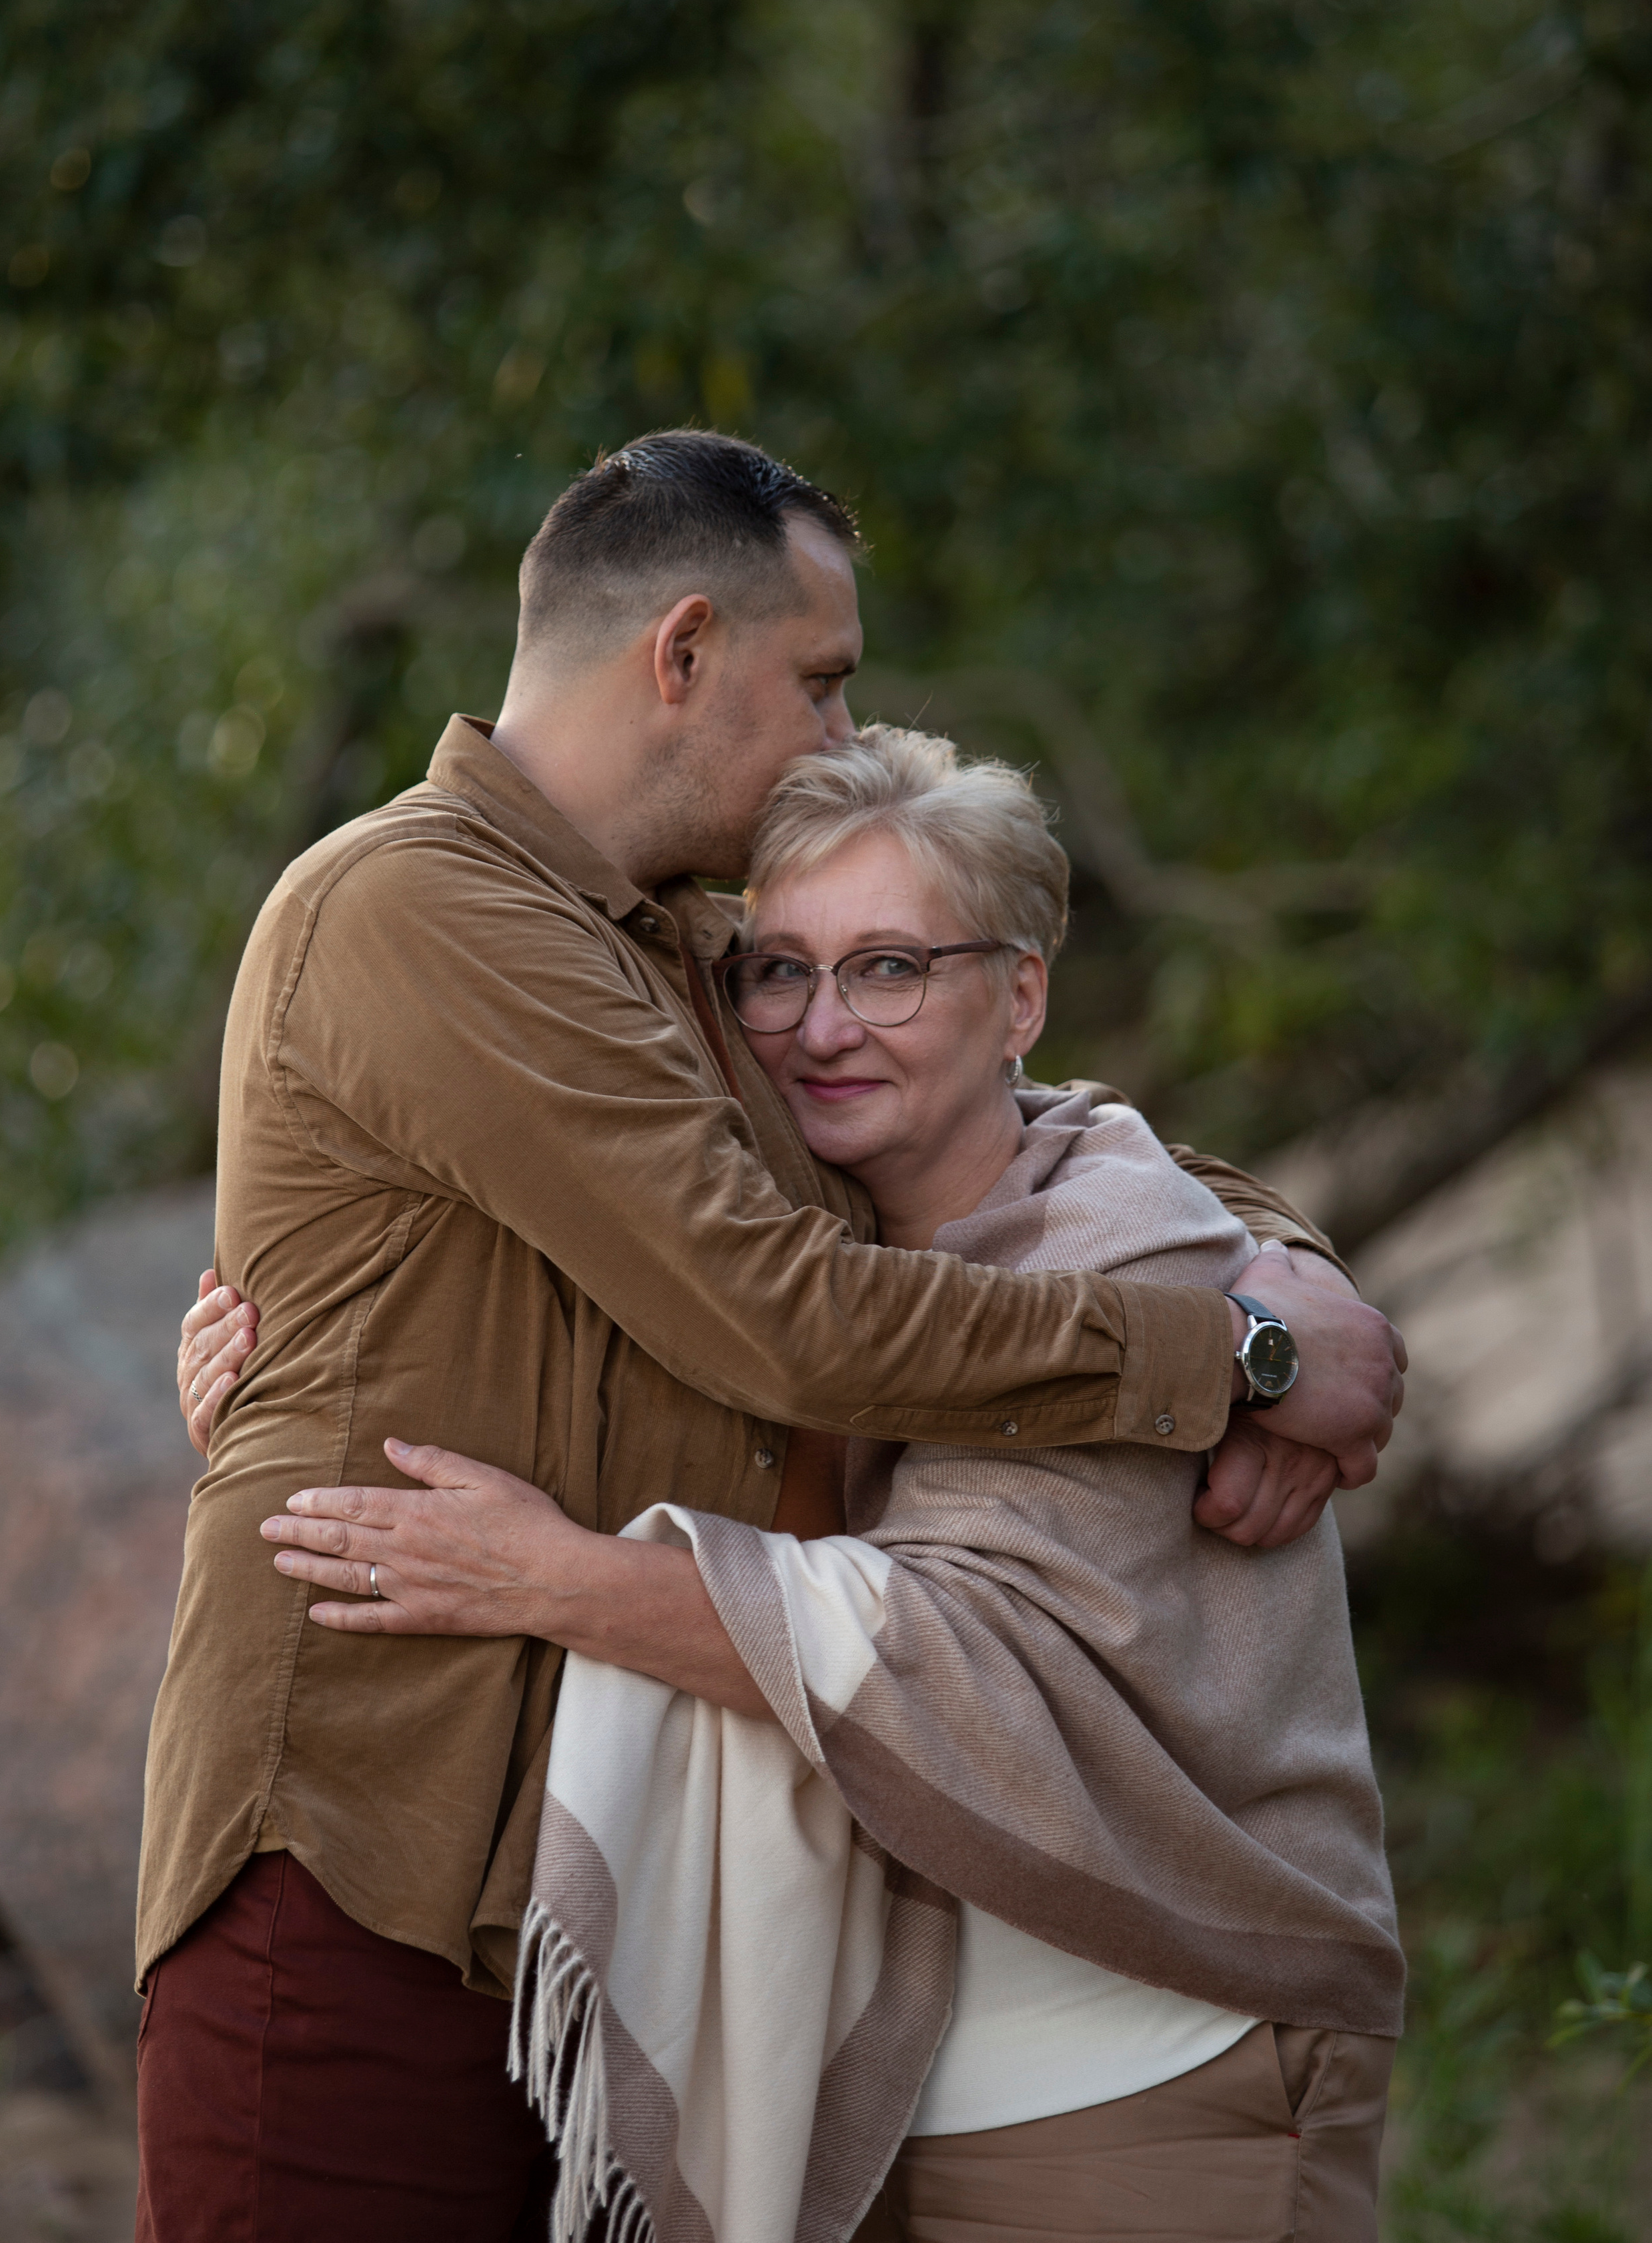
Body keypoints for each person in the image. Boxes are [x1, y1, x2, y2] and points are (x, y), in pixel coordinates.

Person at [157, 431, 1404, 2242]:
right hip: (366, 1850)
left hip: (615, 1897)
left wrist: (1291, 1275)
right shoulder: (414, 906)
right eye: (819, 681)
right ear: (682, 651)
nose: (838, 731)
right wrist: (1222, 1361)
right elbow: (785, 1318)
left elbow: (1027, 1121)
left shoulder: (705, 958)